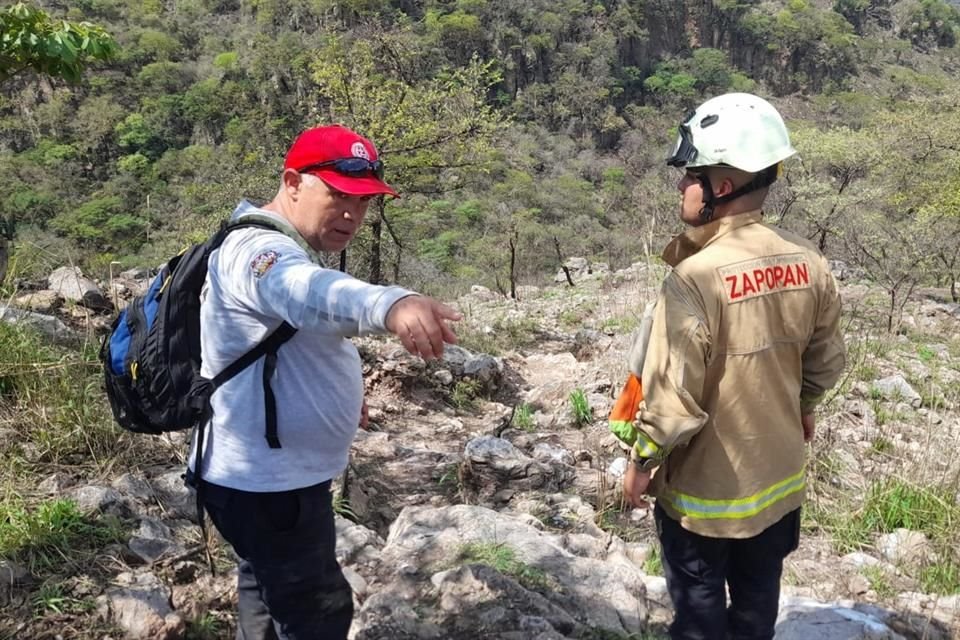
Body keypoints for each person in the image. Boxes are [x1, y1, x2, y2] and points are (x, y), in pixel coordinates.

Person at [187, 124, 460, 640]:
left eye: (363, 201)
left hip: (258, 479)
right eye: (338, 195)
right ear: (293, 183)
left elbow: (284, 342)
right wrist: (391, 303)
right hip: (269, 486)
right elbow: (305, 292)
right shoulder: (259, 252)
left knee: (263, 589)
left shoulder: (270, 242)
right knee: (319, 614)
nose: (352, 215)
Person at [618, 93, 845, 640]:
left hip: (704, 502)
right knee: (755, 610)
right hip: (778, 486)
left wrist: (641, 462)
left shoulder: (696, 278)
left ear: (721, 187)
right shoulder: (808, 261)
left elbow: (671, 398)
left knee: (699, 621)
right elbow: (826, 361)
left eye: (690, 175)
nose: (681, 186)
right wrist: (802, 407)